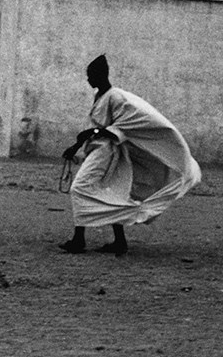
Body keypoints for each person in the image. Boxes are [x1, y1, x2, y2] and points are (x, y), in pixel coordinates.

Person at [58, 54, 201, 255]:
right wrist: (77, 145)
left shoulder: (117, 97)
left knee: (79, 188)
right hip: (99, 149)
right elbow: (98, 128)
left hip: (106, 151)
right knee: (112, 190)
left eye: (90, 75)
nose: (88, 79)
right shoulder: (100, 96)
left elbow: (120, 128)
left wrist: (91, 134)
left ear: (101, 75)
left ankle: (79, 239)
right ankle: (119, 241)